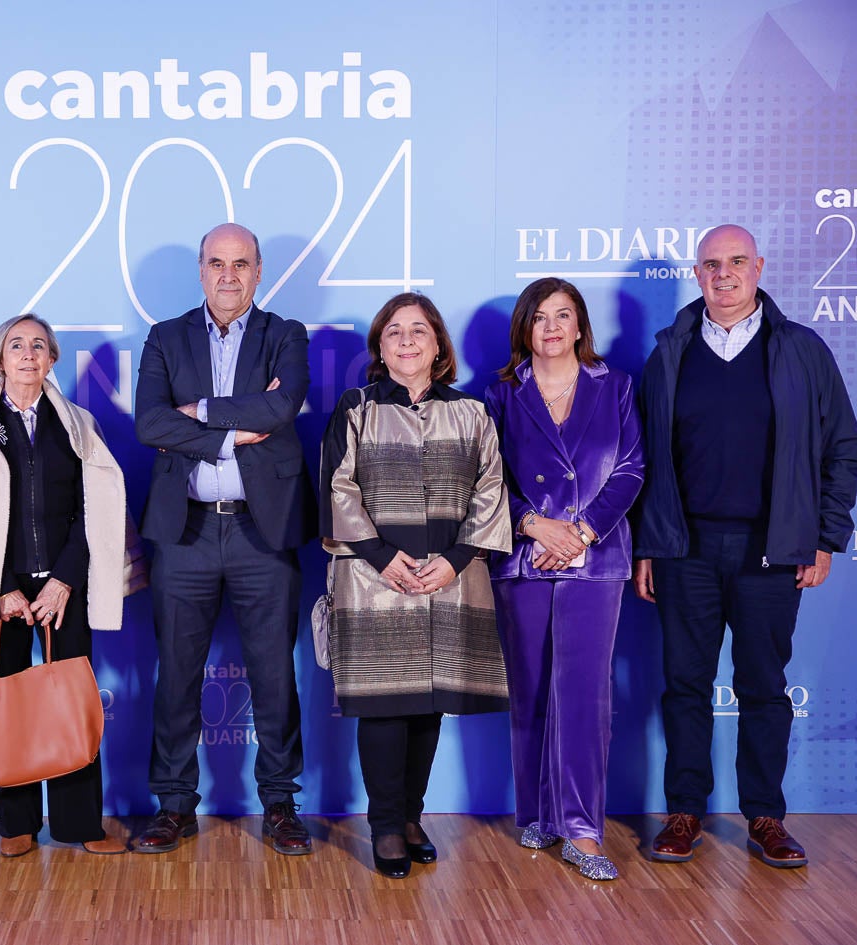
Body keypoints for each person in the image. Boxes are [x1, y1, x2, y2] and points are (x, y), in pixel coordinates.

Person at [634, 224, 857, 868]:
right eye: (711, 265)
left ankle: (765, 816)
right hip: (686, 549)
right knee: (685, 686)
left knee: (763, 688)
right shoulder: (670, 351)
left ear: (759, 267)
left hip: (773, 549)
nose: (724, 275)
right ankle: (685, 812)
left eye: (737, 262)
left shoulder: (800, 350)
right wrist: (649, 546)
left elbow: (842, 449)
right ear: (697, 273)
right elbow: (649, 461)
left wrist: (822, 538)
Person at [132, 223, 316, 855]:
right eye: (217, 262)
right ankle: (174, 805)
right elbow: (149, 422)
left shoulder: (285, 335)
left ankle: (281, 803)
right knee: (177, 674)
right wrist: (234, 425)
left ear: (259, 272)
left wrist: (200, 412)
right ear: (201, 271)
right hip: (183, 531)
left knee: (273, 675)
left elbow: (281, 407)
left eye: (241, 263)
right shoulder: (165, 337)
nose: (228, 275)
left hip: (261, 531)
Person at [320, 291, 512, 878]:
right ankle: (384, 828)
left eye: (419, 331)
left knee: (428, 704)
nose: (407, 340)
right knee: (385, 705)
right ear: (380, 346)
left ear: (438, 347)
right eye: (395, 331)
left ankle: (410, 817)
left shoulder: (473, 413)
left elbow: (490, 491)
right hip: (375, 580)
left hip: (447, 580)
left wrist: (456, 559)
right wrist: (382, 557)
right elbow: (337, 489)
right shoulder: (355, 409)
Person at [0, 314, 130, 857]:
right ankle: (16, 824)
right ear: (0, 357)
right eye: (16, 346)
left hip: (63, 588)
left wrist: (66, 579)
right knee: (9, 704)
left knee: (70, 700)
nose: (27, 355)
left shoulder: (77, 423)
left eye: (38, 346)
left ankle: (79, 824)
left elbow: (90, 510)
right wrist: (1, 586)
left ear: (52, 360)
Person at [484, 278, 644, 881]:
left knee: (584, 693)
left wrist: (578, 533)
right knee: (530, 686)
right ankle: (538, 812)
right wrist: (532, 525)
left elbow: (630, 468)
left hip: (594, 558)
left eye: (563, 316)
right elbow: (486, 475)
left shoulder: (618, 386)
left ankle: (582, 827)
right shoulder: (501, 395)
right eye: (539, 318)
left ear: (580, 327)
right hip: (524, 558)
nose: (551, 327)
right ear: (525, 329)